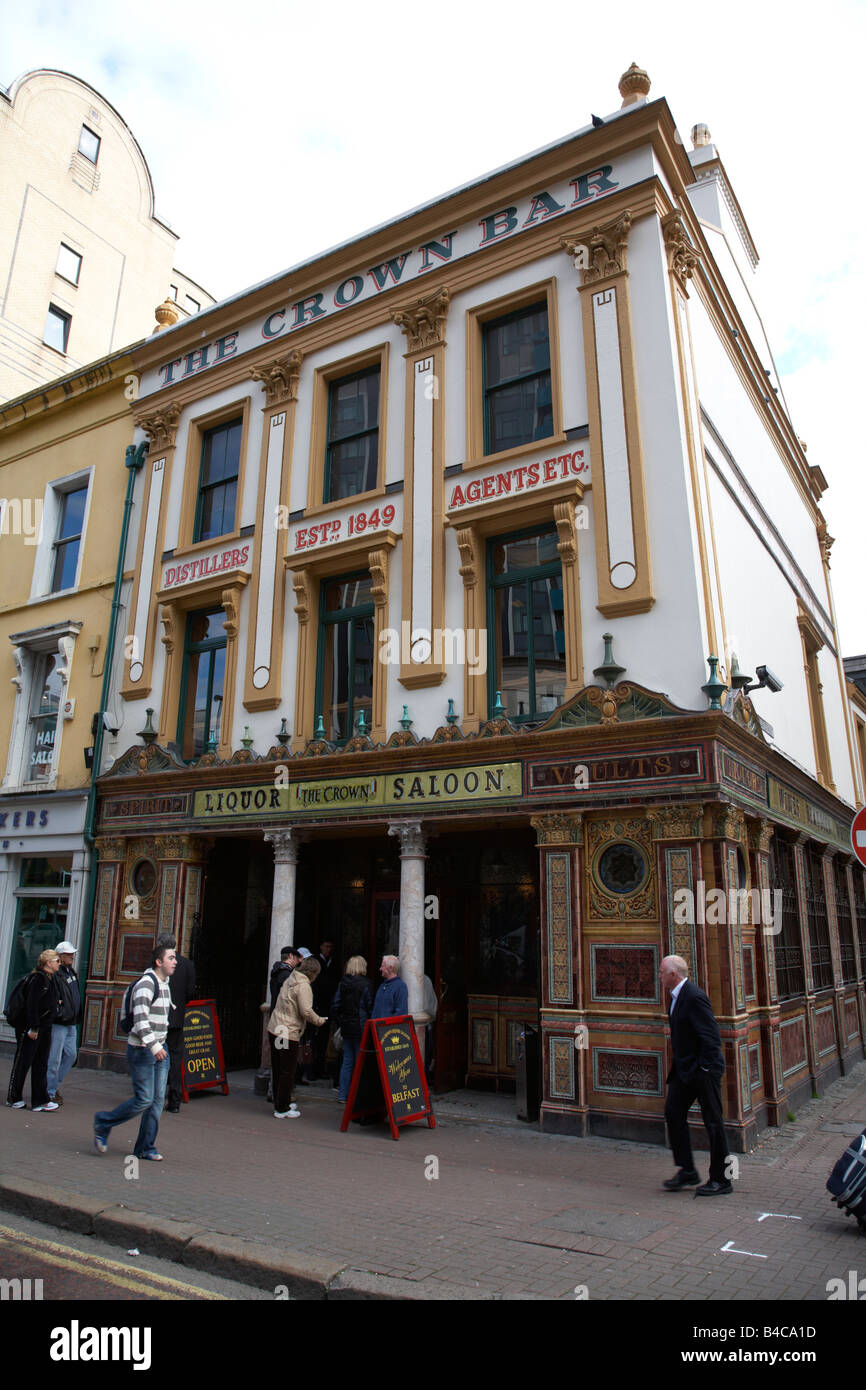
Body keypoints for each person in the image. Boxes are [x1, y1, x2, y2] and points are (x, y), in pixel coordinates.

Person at [93, 943, 177, 1160]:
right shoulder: (146, 985)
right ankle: (103, 1122)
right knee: (144, 1099)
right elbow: (140, 1020)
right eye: (171, 958)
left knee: (157, 1101)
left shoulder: (165, 983)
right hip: (143, 1050)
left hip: (160, 1048)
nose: (175, 961)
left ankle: (145, 1147)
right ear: (159, 962)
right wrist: (154, 1045)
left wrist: (161, 1044)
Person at [660, 954, 730, 1196]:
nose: (659, 977)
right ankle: (688, 1170)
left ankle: (722, 1179)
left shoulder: (694, 997)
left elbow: (711, 1038)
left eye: (662, 973)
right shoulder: (677, 997)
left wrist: (705, 1069)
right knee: (673, 1112)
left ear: (673, 974)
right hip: (685, 1070)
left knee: (714, 1122)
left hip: (702, 1071)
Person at [268, 957, 327, 1119]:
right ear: (313, 973)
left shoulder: (291, 977)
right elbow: (306, 1011)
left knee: (279, 1067)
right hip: (288, 1031)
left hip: (277, 1027)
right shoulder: (304, 986)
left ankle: (280, 1101)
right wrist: (320, 1020)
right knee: (287, 1070)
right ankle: (282, 1108)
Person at [6, 949, 62, 1111]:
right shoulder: (39, 978)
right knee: (23, 1063)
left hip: (44, 1028)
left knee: (40, 1064)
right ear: (49, 963)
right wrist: (34, 1027)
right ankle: (13, 1097)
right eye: (57, 960)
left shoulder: (49, 978)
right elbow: (32, 1005)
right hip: (32, 1028)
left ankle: (40, 1100)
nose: (59, 964)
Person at [156, 933, 197, 1113]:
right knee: (175, 1058)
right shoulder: (187, 964)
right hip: (176, 1018)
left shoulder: (156, 963)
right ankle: (174, 1100)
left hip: (157, 1018)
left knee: (154, 1057)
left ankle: (152, 1096)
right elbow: (190, 992)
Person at [333, 956, 373, 1103]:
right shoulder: (366, 984)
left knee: (347, 1060)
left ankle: (343, 1094)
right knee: (359, 1061)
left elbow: (336, 1006)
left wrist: (341, 1022)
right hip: (361, 1026)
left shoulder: (342, 984)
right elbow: (369, 1006)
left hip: (347, 1027)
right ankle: (357, 1095)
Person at [47, 940, 82, 1106]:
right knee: (54, 1057)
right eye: (69, 954)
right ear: (60, 956)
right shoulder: (56, 973)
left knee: (71, 1054)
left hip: (71, 1021)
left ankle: (53, 1085)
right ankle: (49, 1090)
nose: (72, 956)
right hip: (60, 1020)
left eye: (72, 953)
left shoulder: (71, 972)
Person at [311, 941, 339, 1078]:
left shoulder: (333, 963)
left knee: (324, 1039)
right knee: (314, 1040)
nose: (329, 949)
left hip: (327, 1007)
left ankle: (321, 1069)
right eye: (326, 946)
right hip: (317, 1008)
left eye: (331, 947)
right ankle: (312, 1069)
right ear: (321, 946)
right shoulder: (316, 962)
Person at [372, 955, 408, 1019]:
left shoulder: (401, 986)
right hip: (378, 1028)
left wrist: (385, 1026)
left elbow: (401, 1014)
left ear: (390, 968)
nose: (380, 969)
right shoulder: (382, 986)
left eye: (382, 966)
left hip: (389, 1028)